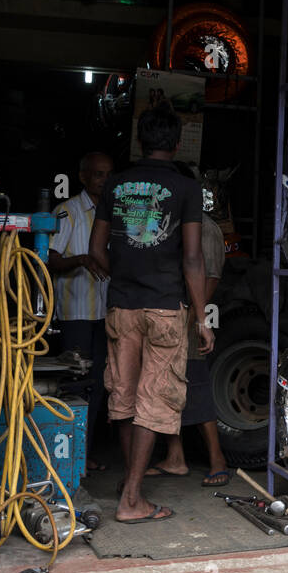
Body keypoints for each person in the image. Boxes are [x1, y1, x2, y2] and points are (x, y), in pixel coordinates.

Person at [90, 106, 214, 523]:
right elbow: (193, 259)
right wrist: (201, 316)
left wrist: (124, 276)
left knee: (123, 398)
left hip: (121, 307)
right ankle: (132, 499)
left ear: (139, 142)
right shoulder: (185, 187)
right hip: (164, 307)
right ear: (177, 144)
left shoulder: (116, 184)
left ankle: (130, 483)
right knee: (153, 399)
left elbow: (95, 251)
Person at [144, 164, 231, 487]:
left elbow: (210, 277)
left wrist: (195, 319)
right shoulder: (178, 223)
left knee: (195, 386)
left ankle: (217, 459)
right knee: (169, 388)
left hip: (190, 318)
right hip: (175, 315)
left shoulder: (205, 228)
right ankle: (176, 457)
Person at [46, 151, 112, 472]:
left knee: (98, 384)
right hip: (75, 314)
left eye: (108, 175)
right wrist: (84, 259)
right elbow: (50, 259)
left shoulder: (112, 212)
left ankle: (83, 453)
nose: (104, 181)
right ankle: (67, 458)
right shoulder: (68, 211)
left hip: (103, 314)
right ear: (84, 177)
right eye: (98, 175)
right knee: (75, 384)